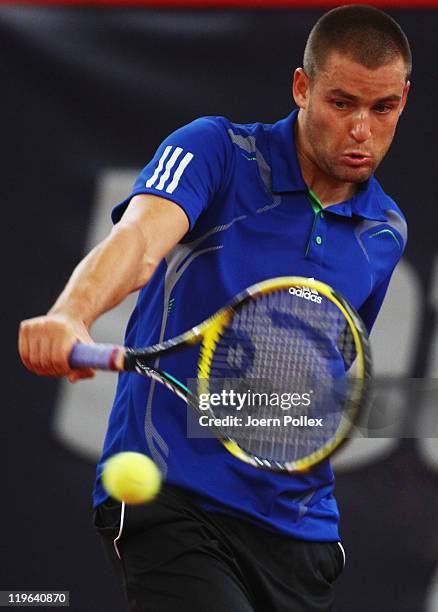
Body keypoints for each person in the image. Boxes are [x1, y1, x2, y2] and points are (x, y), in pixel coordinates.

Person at [19, 5, 411, 611]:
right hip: (174, 503)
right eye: (341, 103)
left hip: (299, 529)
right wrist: (73, 312)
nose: (361, 128)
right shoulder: (216, 151)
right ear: (302, 88)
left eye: (382, 108)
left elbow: (326, 365)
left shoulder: (385, 231)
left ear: (402, 101)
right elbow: (139, 242)